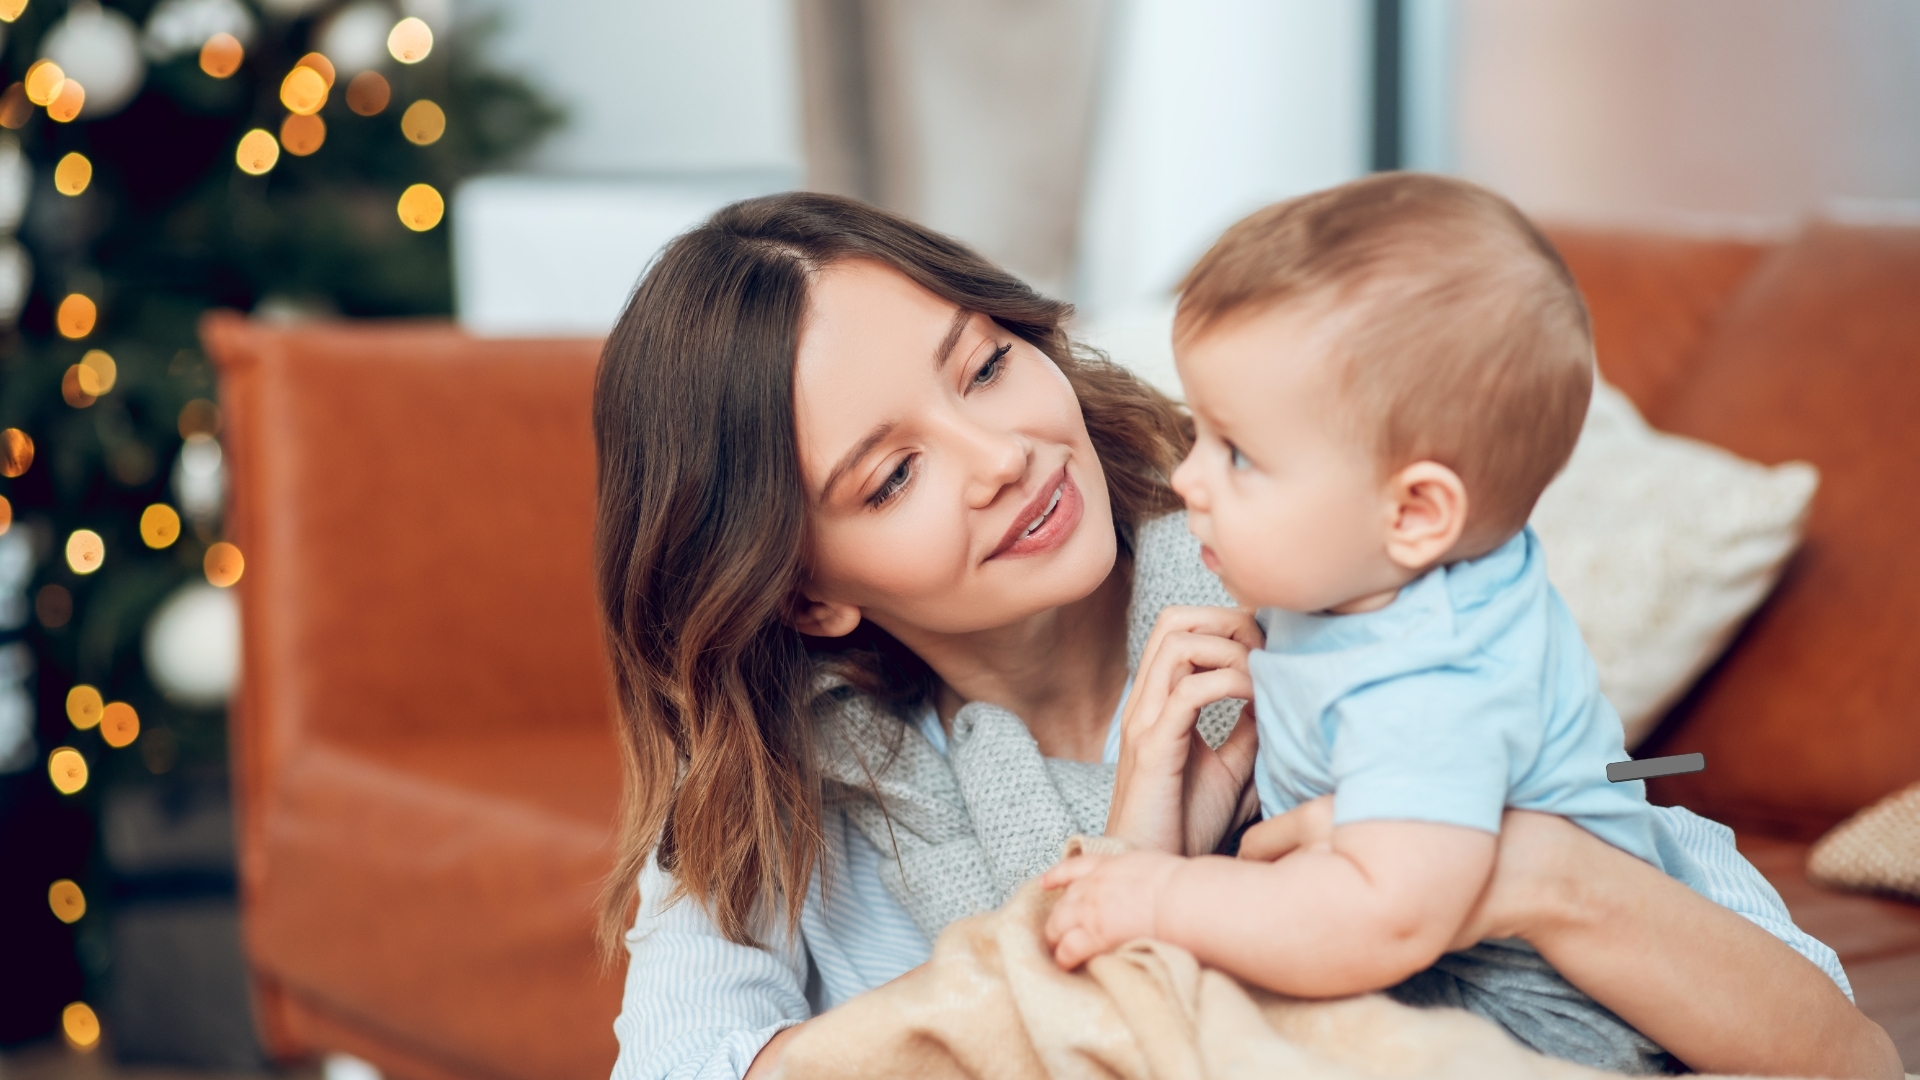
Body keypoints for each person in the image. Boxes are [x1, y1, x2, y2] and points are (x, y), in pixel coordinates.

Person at [593, 191, 1902, 1080]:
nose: (1003, 455)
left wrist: (1535, 875)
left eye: (986, 365)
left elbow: (1840, 1052)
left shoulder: (1347, 614)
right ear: (807, 594)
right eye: (891, 477)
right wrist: (1092, 902)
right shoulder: (771, 810)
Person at [1038, 174, 1833, 1073]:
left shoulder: (1433, 680)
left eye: (1239, 454)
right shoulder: (1360, 574)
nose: (1190, 483)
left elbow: (1389, 915)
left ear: (1416, 513)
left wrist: (1166, 898)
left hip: (1538, 1002)